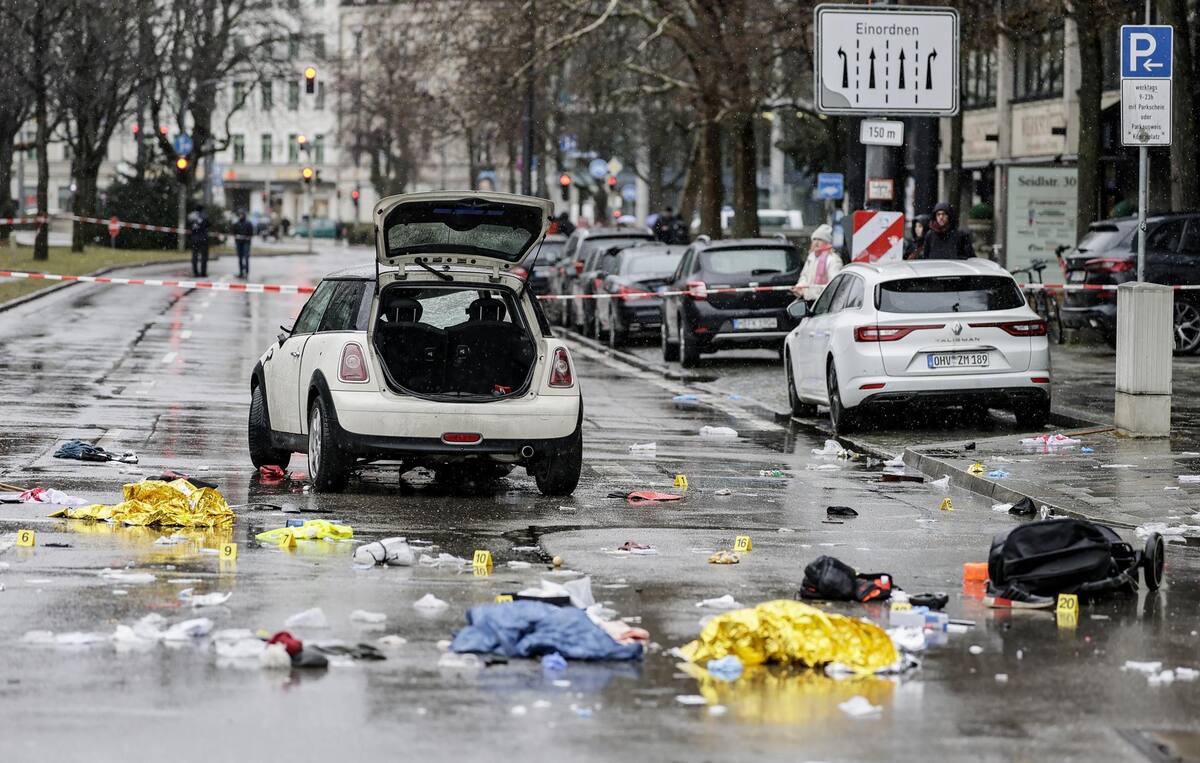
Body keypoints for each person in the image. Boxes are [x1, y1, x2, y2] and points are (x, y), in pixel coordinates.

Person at [791, 223, 841, 302]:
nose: (816, 242)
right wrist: (800, 286)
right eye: (814, 239)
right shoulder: (811, 257)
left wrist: (816, 290)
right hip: (808, 299)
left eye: (820, 239)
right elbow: (804, 276)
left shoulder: (833, 259)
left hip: (824, 302)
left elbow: (834, 284)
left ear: (827, 242)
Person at [188, 204, 210, 278]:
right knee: (204, 256)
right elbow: (209, 224)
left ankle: (195, 272)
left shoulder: (191, 216)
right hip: (203, 238)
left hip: (194, 238)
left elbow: (188, 226)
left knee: (194, 256)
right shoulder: (205, 216)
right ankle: (203, 272)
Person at [232, 211, 254, 279]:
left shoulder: (248, 223)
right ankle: (241, 272)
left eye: (242, 215)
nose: (241, 216)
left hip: (246, 242)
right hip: (239, 242)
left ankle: (246, 273)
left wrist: (247, 237)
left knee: (246, 257)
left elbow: (251, 233)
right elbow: (233, 232)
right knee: (240, 258)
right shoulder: (236, 223)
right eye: (240, 215)